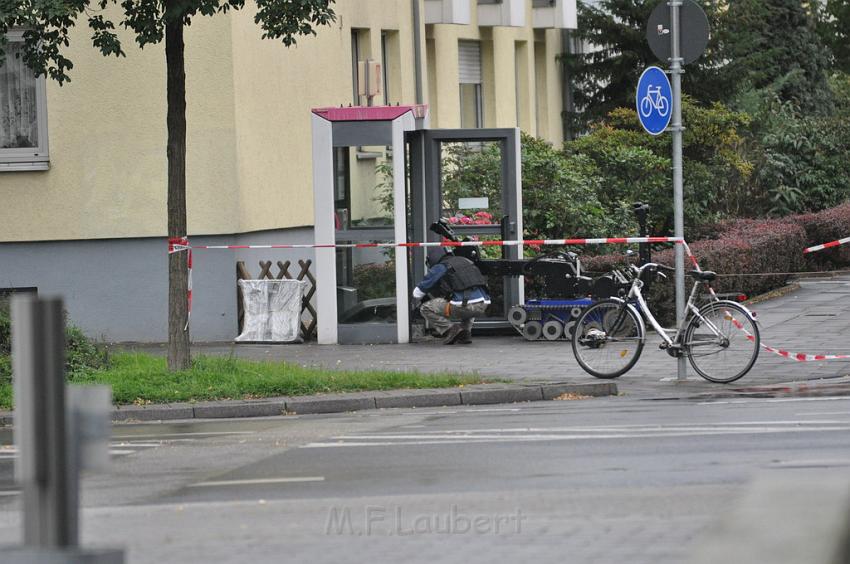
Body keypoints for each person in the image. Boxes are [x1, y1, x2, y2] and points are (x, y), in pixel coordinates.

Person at [412, 247, 490, 344]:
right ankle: (465, 333)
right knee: (469, 301)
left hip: (463, 306)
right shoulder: (466, 261)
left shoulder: (442, 266)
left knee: (425, 308)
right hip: (483, 305)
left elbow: (417, 293)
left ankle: (450, 329)